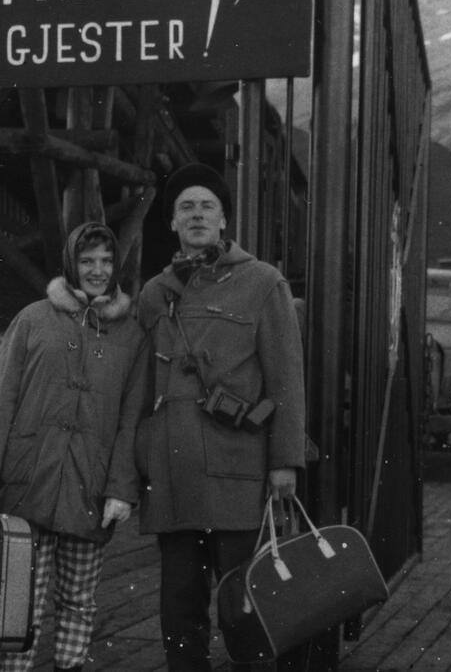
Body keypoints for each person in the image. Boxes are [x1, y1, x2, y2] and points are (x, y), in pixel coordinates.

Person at [134, 163, 307, 672]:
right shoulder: (154, 294)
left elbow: (286, 383)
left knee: (245, 605)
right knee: (179, 610)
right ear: (172, 222)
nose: (196, 214)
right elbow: (141, 389)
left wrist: (286, 463)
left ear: (224, 217)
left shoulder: (263, 282)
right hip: (173, 476)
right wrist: (143, 458)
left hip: (239, 472)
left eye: (207, 205)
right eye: (185, 207)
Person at [0, 221, 147, 672]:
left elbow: (132, 420)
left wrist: (121, 489)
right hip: (29, 482)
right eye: (87, 261)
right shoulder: (32, 319)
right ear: (71, 263)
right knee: (19, 599)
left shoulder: (131, 335)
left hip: (91, 487)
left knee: (79, 601)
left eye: (106, 261)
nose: (98, 270)